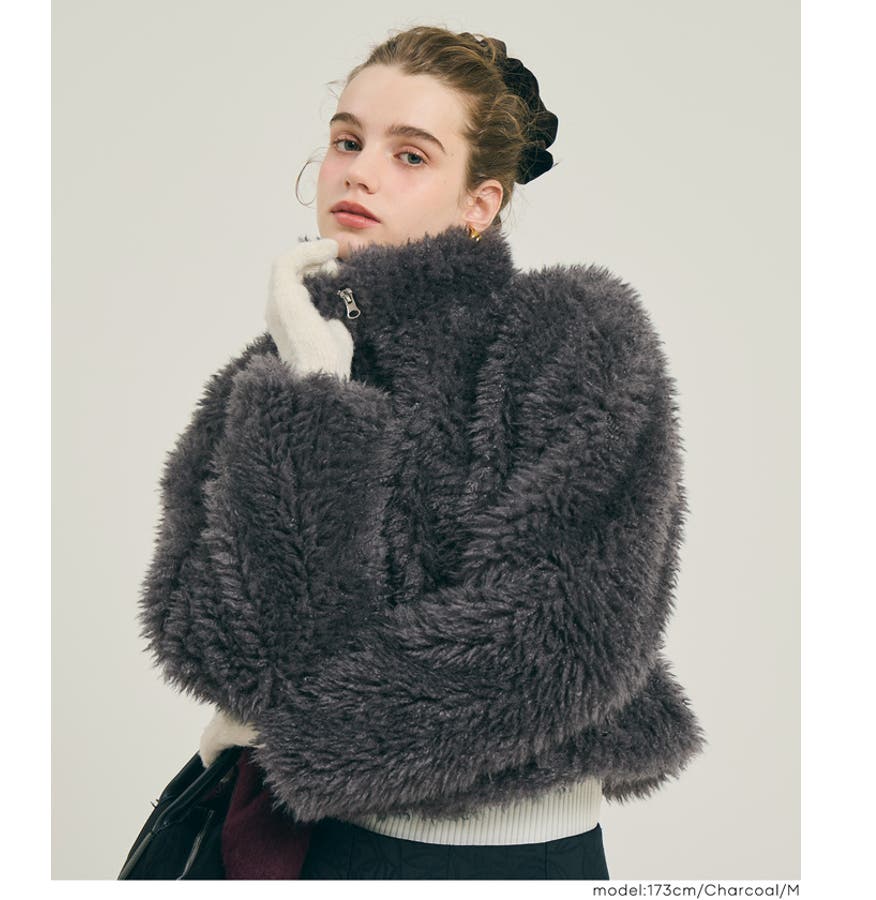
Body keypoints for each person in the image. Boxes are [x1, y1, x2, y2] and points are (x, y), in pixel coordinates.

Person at [138, 25, 706, 880]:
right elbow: (211, 642)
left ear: (479, 202)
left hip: (505, 858)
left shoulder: (568, 335)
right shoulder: (279, 373)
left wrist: (297, 735)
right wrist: (313, 401)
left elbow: (566, 634)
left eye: (410, 155)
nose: (358, 172)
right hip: (291, 845)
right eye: (347, 141)